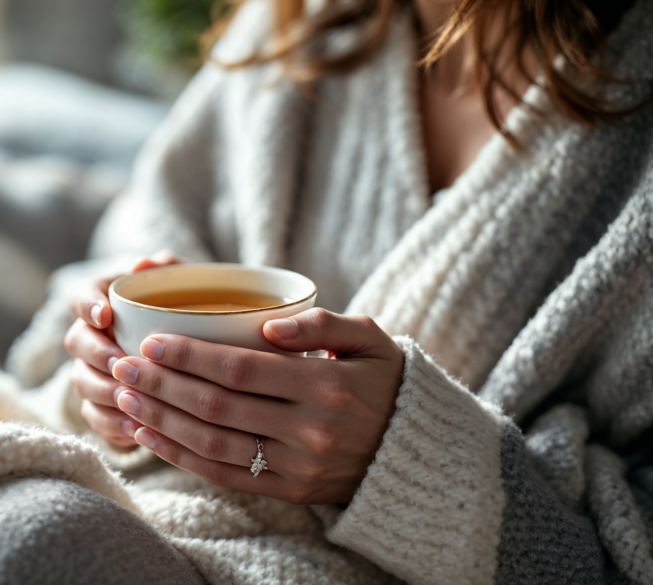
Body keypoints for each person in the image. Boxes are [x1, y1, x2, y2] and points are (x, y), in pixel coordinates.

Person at [55, 0, 653, 582]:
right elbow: (135, 244)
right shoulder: (292, 26)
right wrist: (114, 381)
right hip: (149, 495)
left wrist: (410, 471)